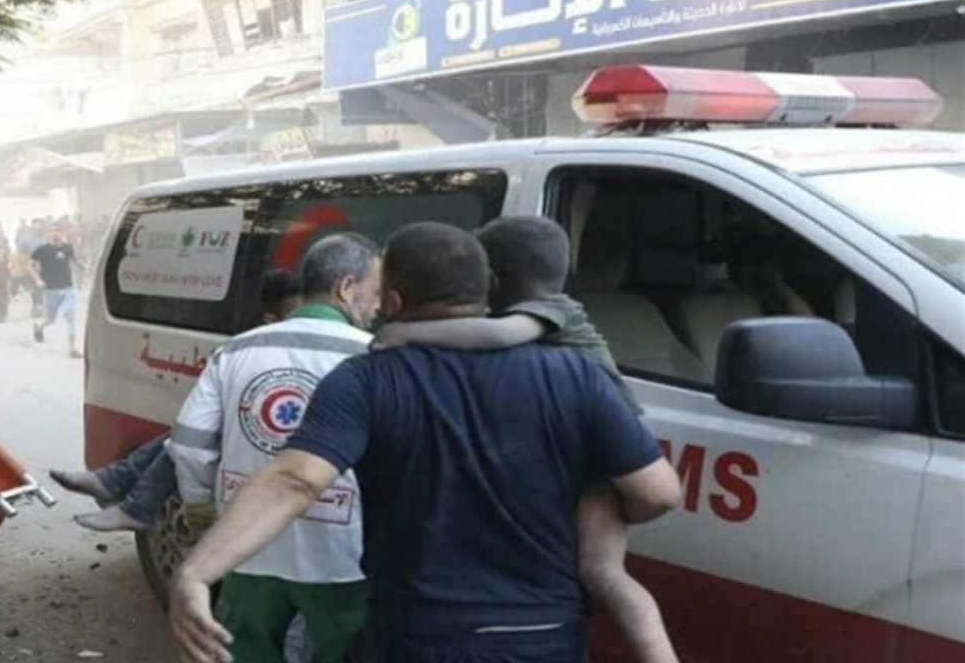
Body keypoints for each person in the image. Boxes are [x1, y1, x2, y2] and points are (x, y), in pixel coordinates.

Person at [168, 221, 682, 663]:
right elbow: (658, 493)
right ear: (487, 290)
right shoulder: (574, 373)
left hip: (415, 636)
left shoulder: (365, 380)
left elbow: (295, 481)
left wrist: (196, 572)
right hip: (542, 636)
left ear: (394, 301)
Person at [374, 216, 680, 663]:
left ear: (493, 282)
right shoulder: (559, 318)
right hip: (607, 452)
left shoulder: (551, 312)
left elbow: (497, 334)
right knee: (603, 573)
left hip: (609, 452)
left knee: (607, 575)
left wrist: (406, 332)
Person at [168, 234, 382, 663]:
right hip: (340, 554)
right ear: (345, 287)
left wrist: (204, 513)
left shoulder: (238, 349)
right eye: (375, 292)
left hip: (246, 545)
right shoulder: (373, 357)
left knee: (244, 649)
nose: (378, 307)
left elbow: (189, 444)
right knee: (350, 651)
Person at [48, 268, 305, 532]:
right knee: (188, 435)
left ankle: (124, 491)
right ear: (270, 321)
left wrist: (198, 502)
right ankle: (123, 490)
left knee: (196, 435)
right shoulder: (257, 352)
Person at [30, 223, 82, 358]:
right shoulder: (43, 250)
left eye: (58, 231)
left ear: (62, 233)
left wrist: (82, 266)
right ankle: (39, 327)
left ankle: (72, 348)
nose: (55, 234)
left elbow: (74, 260)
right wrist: (38, 279)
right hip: (50, 290)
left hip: (67, 288)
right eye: (52, 231)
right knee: (50, 320)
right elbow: (29, 266)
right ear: (48, 233)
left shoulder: (67, 248)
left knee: (70, 316)